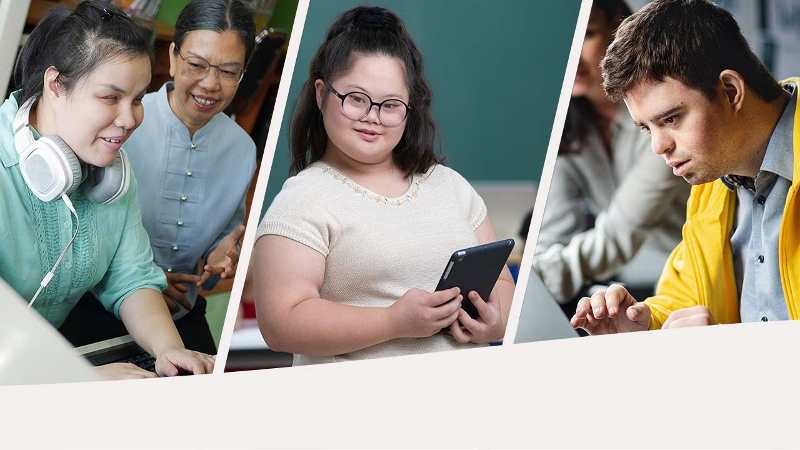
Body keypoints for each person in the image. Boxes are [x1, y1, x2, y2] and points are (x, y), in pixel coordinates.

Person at [251, 6, 516, 365]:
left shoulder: (449, 185)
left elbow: (503, 286)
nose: (373, 117)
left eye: (390, 105)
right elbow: (281, 323)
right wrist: (392, 322)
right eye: (356, 99)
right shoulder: (303, 198)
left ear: (409, 109)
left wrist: (492, 323)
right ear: (321, 94)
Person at [0, 1, 215, 380]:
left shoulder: (110, 172)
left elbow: (131, 278)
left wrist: (169, 349)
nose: (130, 119)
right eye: (110, 97)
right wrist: (78, 380)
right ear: (56, 85)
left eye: (137, 99)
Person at [570, 0, 800, 334]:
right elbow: (688, 295)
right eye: (648, 128)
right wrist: (646, 323)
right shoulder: (711, 184)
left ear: (731, 91)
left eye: (671, 119)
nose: (658, 147)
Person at [58, 0, 257, 354]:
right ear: (173, 56)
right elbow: (70, 233)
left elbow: (222, 249)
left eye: (229, 71)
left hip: (181, 309)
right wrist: (143, 283)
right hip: (94, 301)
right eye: (196, 65)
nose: (210, 84)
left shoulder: (243, 149)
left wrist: (220, 257)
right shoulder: (119, 124)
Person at [530, 0, 690, 313]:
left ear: (618, 30)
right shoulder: (566, 126)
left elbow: (622, 231)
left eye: (587, 35)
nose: (573, 59)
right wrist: (532, 279)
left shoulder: (659, 110)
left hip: (698, 271)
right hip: (639, 283)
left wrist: (538, 276)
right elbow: (552, 236)